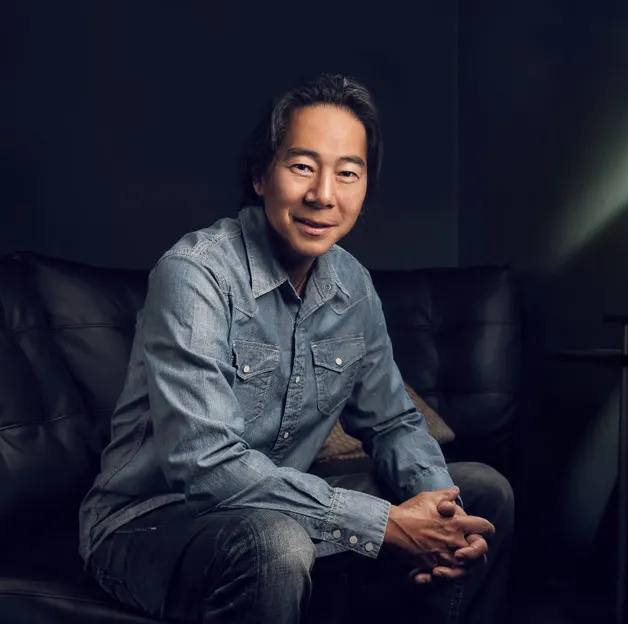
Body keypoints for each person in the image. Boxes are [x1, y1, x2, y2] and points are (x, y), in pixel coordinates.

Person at [78, 72, 514, 624]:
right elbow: (204, 465)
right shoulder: (195, 273)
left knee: (482, 493)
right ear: (260, 175)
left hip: (284, 510)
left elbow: (394, 423)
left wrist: (441, 517)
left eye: (347, 173)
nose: (323, 195)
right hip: (151, 521)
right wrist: (385, 524)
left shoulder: (352, 285)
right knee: (275, 543)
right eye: (303, 166)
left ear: (364, 189)